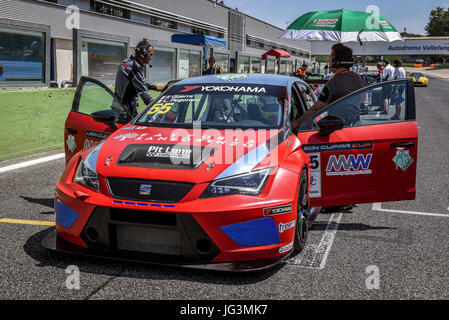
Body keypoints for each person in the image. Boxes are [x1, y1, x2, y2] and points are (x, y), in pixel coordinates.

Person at [291, 43, 365, 129]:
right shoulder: (358, 78)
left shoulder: (333, 83)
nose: (328, 60)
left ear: (335, 62)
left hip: (338, 128)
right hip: (357, 125)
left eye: (330, 57)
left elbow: (316, 109)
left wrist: (297, 122)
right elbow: (363, 98)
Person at [114, 38, 166, 121]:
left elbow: (139, 82)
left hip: (120, 108)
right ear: (143, 54)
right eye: (150, 55)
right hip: (125, 112)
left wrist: (156, 88)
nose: (151, 58)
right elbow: (146, 97)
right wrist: (162, 110)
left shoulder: (128, 62)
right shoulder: (135, 68)